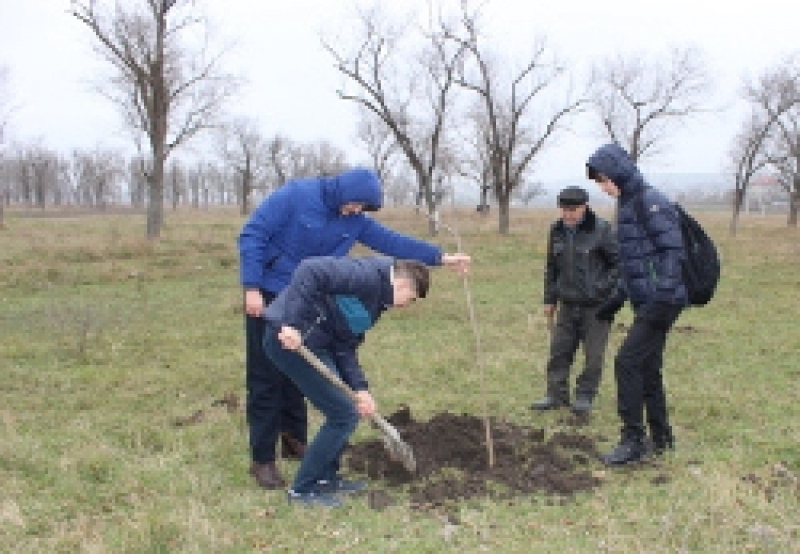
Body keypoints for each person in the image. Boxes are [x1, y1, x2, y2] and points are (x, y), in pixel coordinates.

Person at [237, 167, 470, 489]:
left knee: (299, 377)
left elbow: (392, 243)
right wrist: (251, 285)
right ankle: (262, 460)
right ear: (343, 191)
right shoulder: (297, 195)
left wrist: (440, 258)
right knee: (266, 379)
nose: (356, 211)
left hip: (315, 302)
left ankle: (294, 442)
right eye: (356, 204)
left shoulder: (355, 220)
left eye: (363, 208)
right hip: (271, 293)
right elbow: (253, 233)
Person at [261, 255, 430, 507]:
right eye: (411, 299)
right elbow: (310, 269)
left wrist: (361, 389)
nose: (406, 305)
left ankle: (326, 478)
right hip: (288, 342)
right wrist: (292, 325)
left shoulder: (378, 302)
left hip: (319, 346)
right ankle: (302, 491)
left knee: (348, 409)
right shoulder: (366, 276)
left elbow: (345, 346)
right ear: (405, 285)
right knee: (342, 415)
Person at [586, 143, 687, 465]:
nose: (603, 188)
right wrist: (614, 302)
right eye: (599, 182)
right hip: (648, 300)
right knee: (648, 367)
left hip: (661, 302)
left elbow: (673, 252)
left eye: (604, 180)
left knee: (627, 362)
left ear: (618, 173)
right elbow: (635, 264)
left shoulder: (649, 201)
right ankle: (662, 437)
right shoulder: (628, 205)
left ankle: (633, 441)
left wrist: (663, 297)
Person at [531, 186, 620, 414]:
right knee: (559, 352)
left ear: (585, 207)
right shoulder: (557, 230)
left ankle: (584, 396)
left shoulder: (602, 230)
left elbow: (619, 265)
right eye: (564, 210)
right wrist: (549, 299)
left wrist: (601, 290)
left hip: (597, 307)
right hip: (567, 305)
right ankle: (556, 395)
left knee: (593, 356)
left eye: (573, 210)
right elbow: (552, 267)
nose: (568, 215)